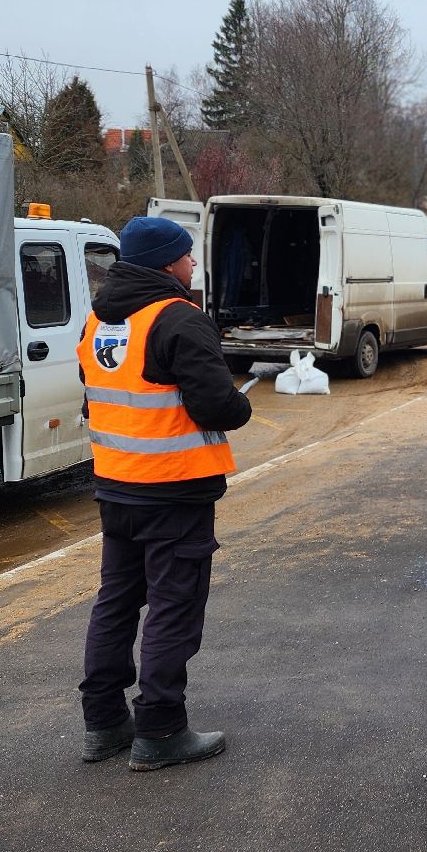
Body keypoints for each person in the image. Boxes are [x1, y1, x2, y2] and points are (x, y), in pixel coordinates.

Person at [76, 216, 252, 772]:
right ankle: (161, 730)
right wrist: (242, 404)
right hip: (174, 491)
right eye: (186, 254)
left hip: (116, 489)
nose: (193, 262)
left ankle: (104, 724)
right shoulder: (179, 318)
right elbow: (217, 405)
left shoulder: (98, 320)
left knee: (116, 602)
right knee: (173, 609)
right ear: (166, 263)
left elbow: (97, 396)